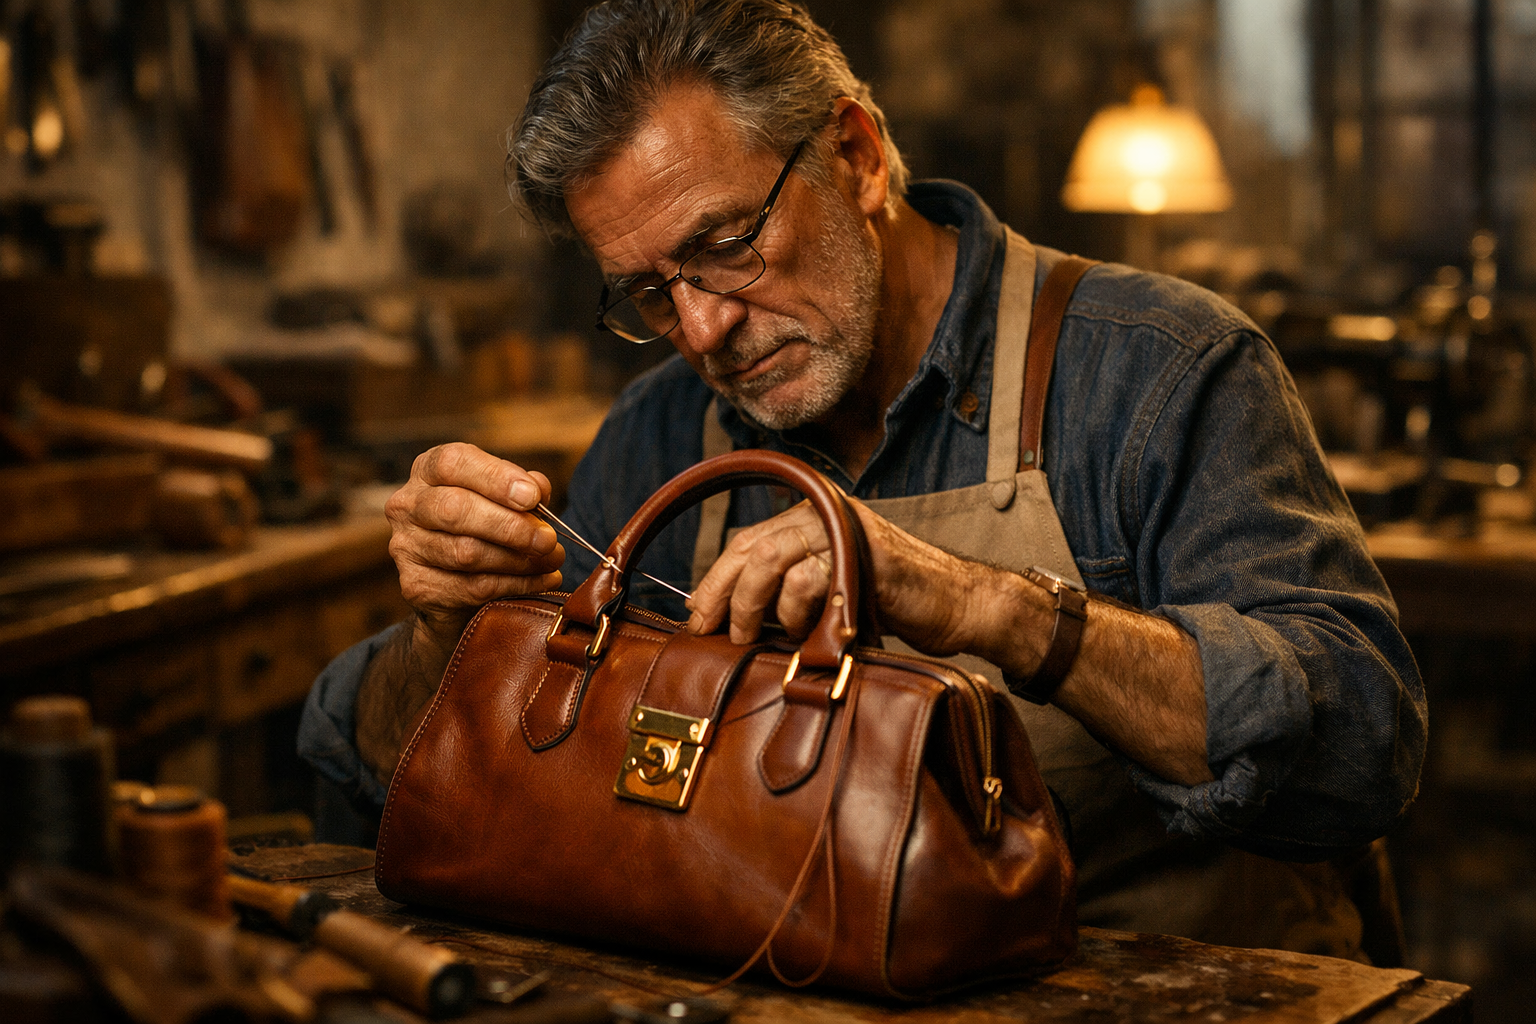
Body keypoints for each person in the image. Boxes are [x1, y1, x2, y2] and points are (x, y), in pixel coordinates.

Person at [300, 0, 1425, 957]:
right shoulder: (663, 434)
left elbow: (1365, 746)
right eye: (650, 292)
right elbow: (374, 786)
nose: (702, 326)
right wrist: (443, 634)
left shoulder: (1158, 372)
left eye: (729, 240)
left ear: (856, 155)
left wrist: (996, 608)